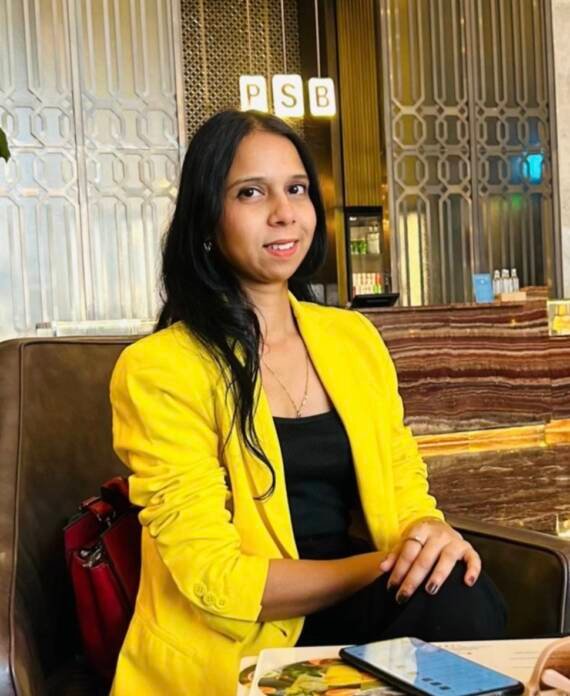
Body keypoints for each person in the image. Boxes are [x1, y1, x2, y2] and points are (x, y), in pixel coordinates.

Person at [109, 110, 506, 696]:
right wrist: (388, 563)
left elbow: (404, 485)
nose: (284, 212)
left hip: (356, 612)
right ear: (207, 219)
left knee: (460, 589)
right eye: (251, 193)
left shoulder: (353, 339)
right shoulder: (161, 368)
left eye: (296, 189)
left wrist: (428, 534)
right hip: (243, 633)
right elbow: (216, 581)